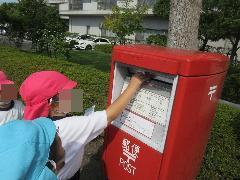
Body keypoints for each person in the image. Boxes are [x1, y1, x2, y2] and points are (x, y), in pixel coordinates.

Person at [18, 70, 146, 180]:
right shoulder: (69, 127)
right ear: (52, 102)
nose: (74, 95)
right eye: (68, 93)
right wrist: (134, 83)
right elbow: (110, 115)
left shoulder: (29, 124)